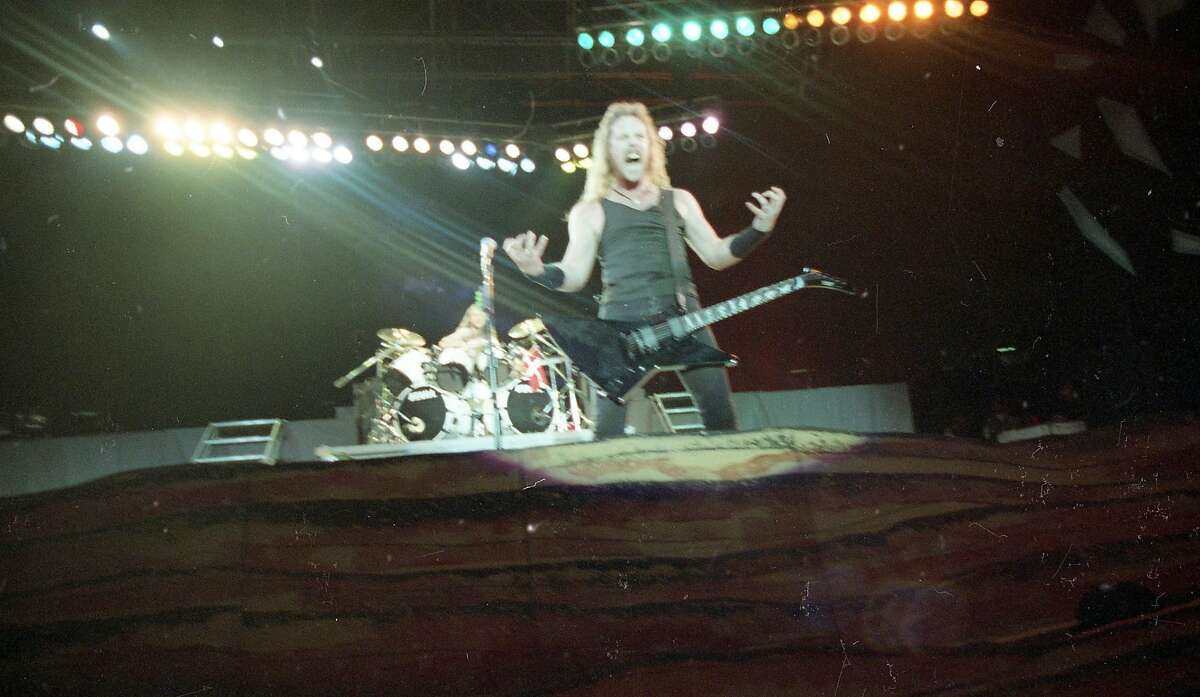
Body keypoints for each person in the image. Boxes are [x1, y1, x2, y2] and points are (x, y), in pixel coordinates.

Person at [503, 101, 787, 438]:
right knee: (607, 435)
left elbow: (717, 255)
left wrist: (759, 229)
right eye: (622, 137)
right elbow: (574, 275)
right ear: (608, 150)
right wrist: (536, 270)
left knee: (722, 423)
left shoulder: (679, 200)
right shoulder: (590, 210)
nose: (632, 143)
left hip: (685, 319)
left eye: (639, 136)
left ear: (652, 147)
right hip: (621, 328)